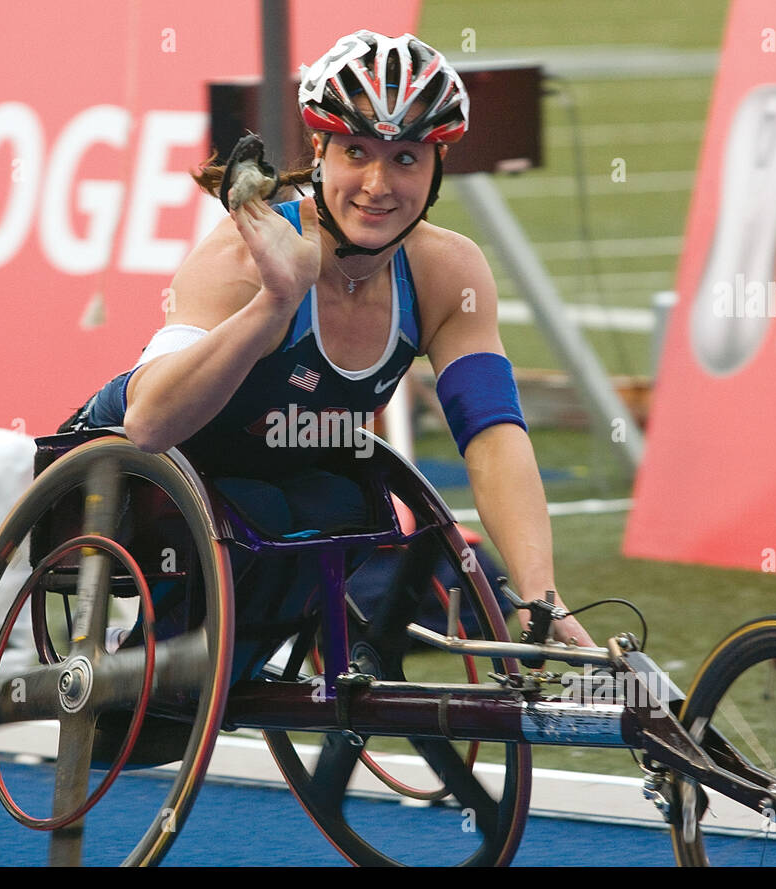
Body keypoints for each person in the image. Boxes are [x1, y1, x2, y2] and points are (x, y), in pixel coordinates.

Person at [63, 30, 592, 676]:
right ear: (319, 152)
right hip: (138, 471)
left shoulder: (448, 273)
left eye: (405, 159)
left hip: (276, 492)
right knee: (270, 507)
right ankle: (160, 666)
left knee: (342, 505)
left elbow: (492, 435)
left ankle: (206, 667)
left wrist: (540, 594)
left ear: (436, 171)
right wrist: (274, 307)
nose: (378, 183)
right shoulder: (241, 255)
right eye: (356, 153)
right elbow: (148, 423)